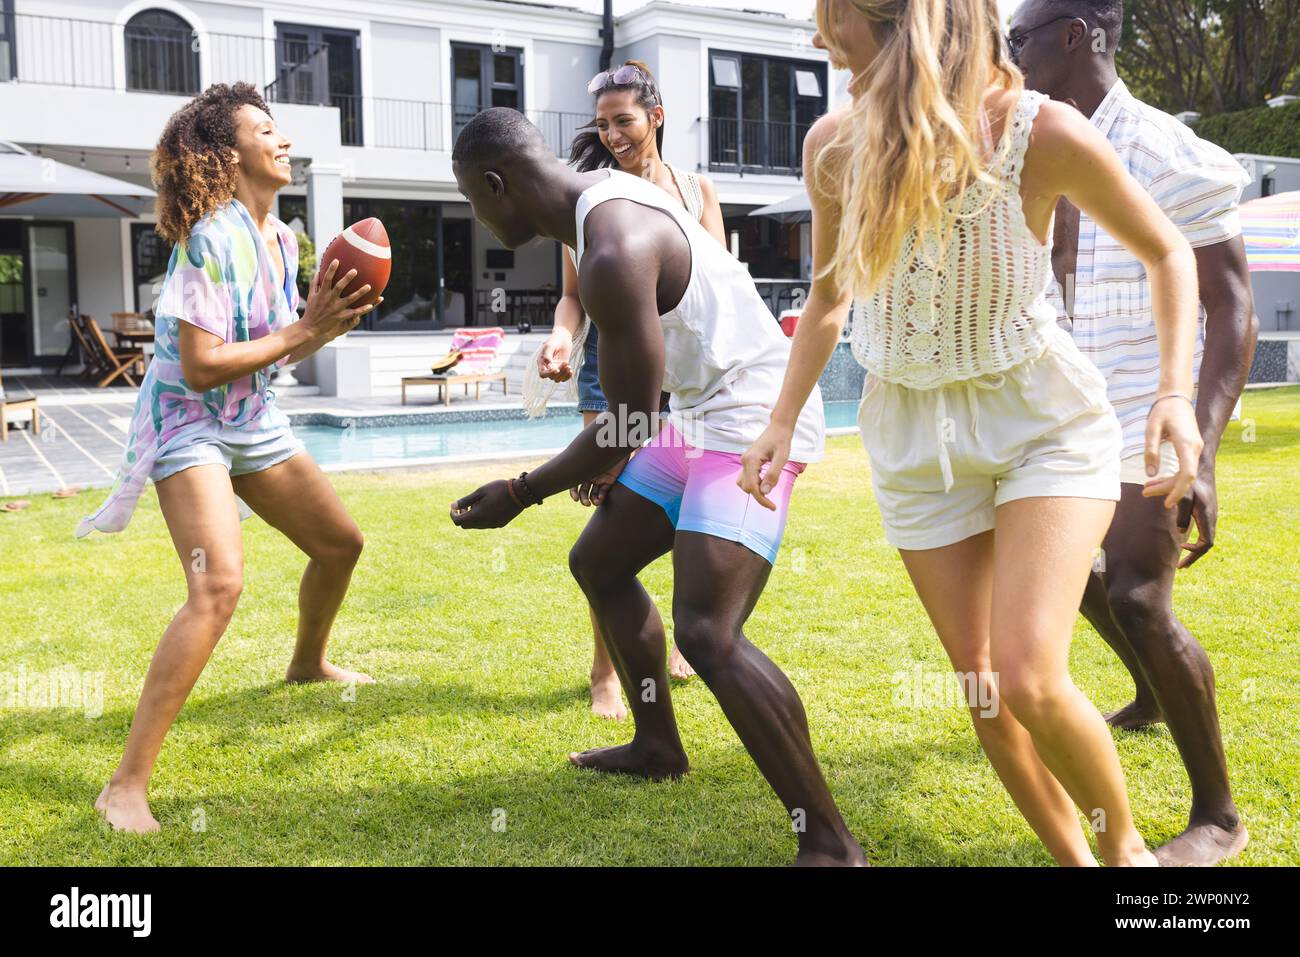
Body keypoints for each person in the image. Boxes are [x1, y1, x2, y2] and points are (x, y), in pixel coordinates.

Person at [741, 0, 1204, 866]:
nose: (814, 38)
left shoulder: (1041, 132)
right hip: (915, 432)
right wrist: (779, 419)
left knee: (1030, 674)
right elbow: (831, 297)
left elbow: (1168, 251)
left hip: (1041, 422)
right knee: (988, 692)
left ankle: (1128, 861)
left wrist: (1174, 393)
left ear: (895, 23)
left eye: (828, 18)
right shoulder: (834, 147)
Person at [448, 107, 865, 866]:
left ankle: (831, 844)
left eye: (473, 202)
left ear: (496, 183)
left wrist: (521, 489)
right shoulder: (597, 206)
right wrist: (596, 460)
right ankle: (656, 743)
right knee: (599, 562)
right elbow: (635, 413)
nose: (478, 217)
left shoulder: (610, 245)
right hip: (703, 409)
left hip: (754, 416)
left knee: (708, 630)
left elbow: (627, 425)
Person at [79, 83, 378, 833]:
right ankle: (124, 785)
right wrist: (303, 331)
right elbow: (204, 362)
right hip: (188, 423)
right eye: (265, 130)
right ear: (227, 153)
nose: (283, 140)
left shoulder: (282, 238)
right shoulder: (206, 238)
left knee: (340, 543)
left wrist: (322, 329)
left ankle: (307, 661)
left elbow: (280, 343)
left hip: (252, 418)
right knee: (219, 586)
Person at [1009, 0, 1256, 866]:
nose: (1010, 56)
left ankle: (1219, 814)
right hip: (1066, 411)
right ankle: (1151, 697)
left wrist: (1204, 444)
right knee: (1075, 582)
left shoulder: (1168, 153)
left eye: (1021, 40)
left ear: (1076, 36)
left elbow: (1232, 308)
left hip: (1152, 409)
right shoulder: (1031, 144)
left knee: (1142, 598)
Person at [529, 61, 728, 715]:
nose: (612, 134)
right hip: (610, 373)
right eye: (604, 124)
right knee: (613, 515)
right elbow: (571, 299)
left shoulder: (698, 194)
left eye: (625, 121)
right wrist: (562, 338)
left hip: (687, 379)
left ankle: (667, 642)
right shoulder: (589, 201)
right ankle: (605, 671)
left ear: (657, 118)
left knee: (678, 516)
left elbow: (718, 292)